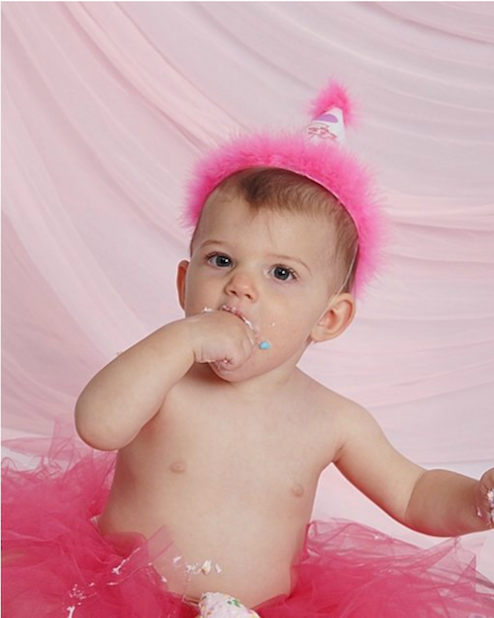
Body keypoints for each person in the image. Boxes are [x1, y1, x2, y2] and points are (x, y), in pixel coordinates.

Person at [2, 81, 493, 618]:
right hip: (119, 597)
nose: (240, 285)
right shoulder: (165, 379)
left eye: (281, 273)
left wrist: (475, 501)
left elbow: (415, 492)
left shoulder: (334, 420)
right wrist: (182, 339)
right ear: (184, 283)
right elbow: (98, 424)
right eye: (221, 261)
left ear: (329, 318)